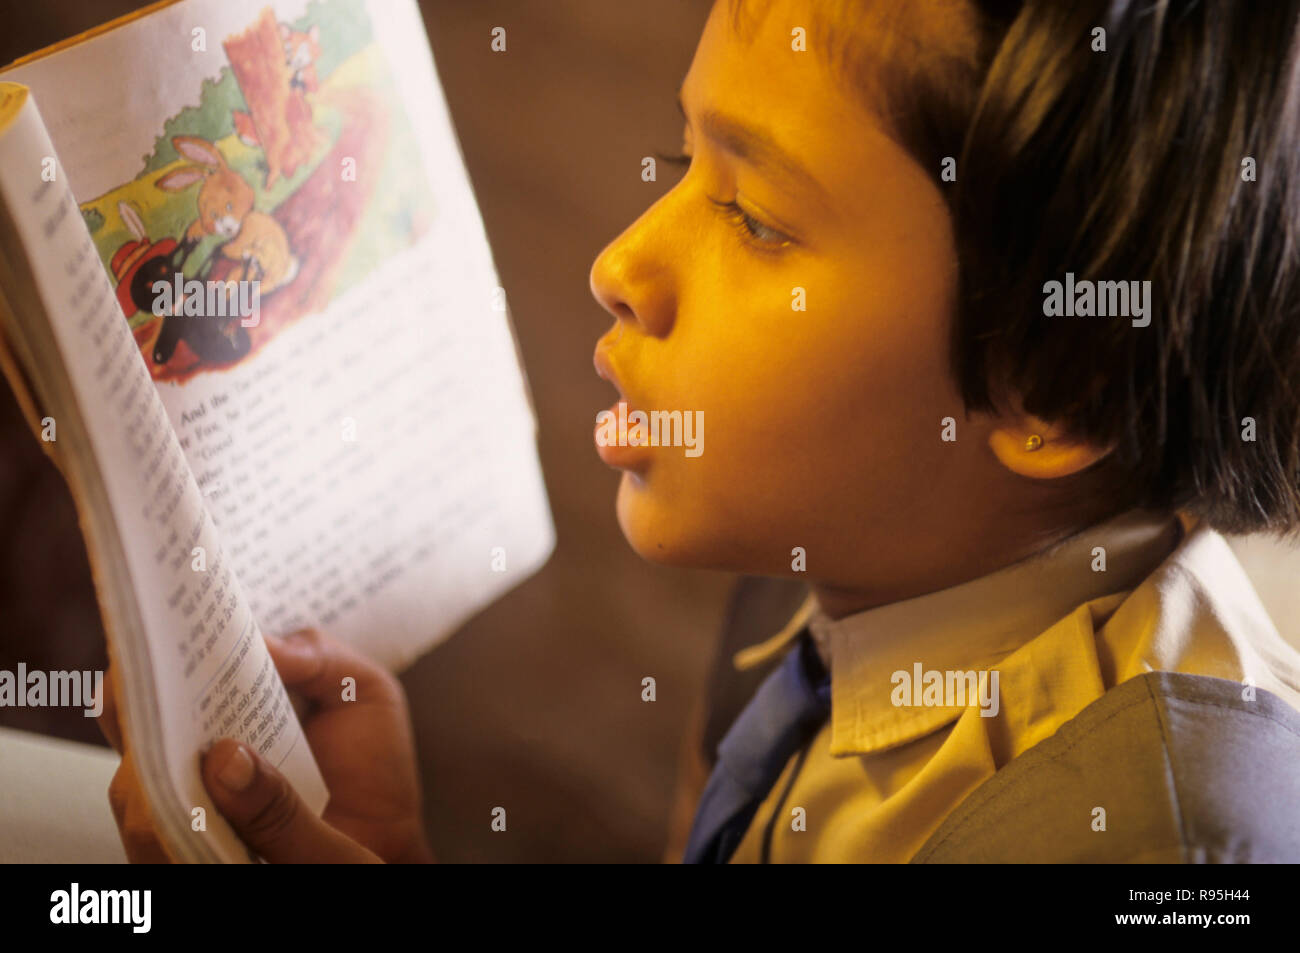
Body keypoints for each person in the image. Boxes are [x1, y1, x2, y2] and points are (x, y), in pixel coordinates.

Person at [102, 0, 1300, 862]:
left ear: (1056, 382)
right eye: (685, 158)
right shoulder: (820, 582)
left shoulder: (1144, 837)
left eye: (758, 219)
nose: (619, 263)